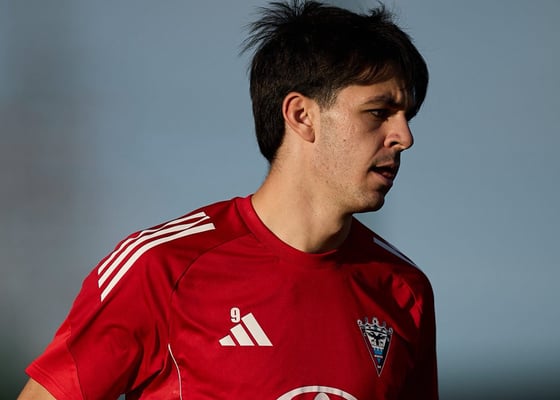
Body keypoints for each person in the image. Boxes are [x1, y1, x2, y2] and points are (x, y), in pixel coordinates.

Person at [18, 1, 437, 399]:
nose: (404, 137)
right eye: (379, 112)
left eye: (407, 116)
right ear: (301, 116)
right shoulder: (161, 268)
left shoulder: (404, 289)